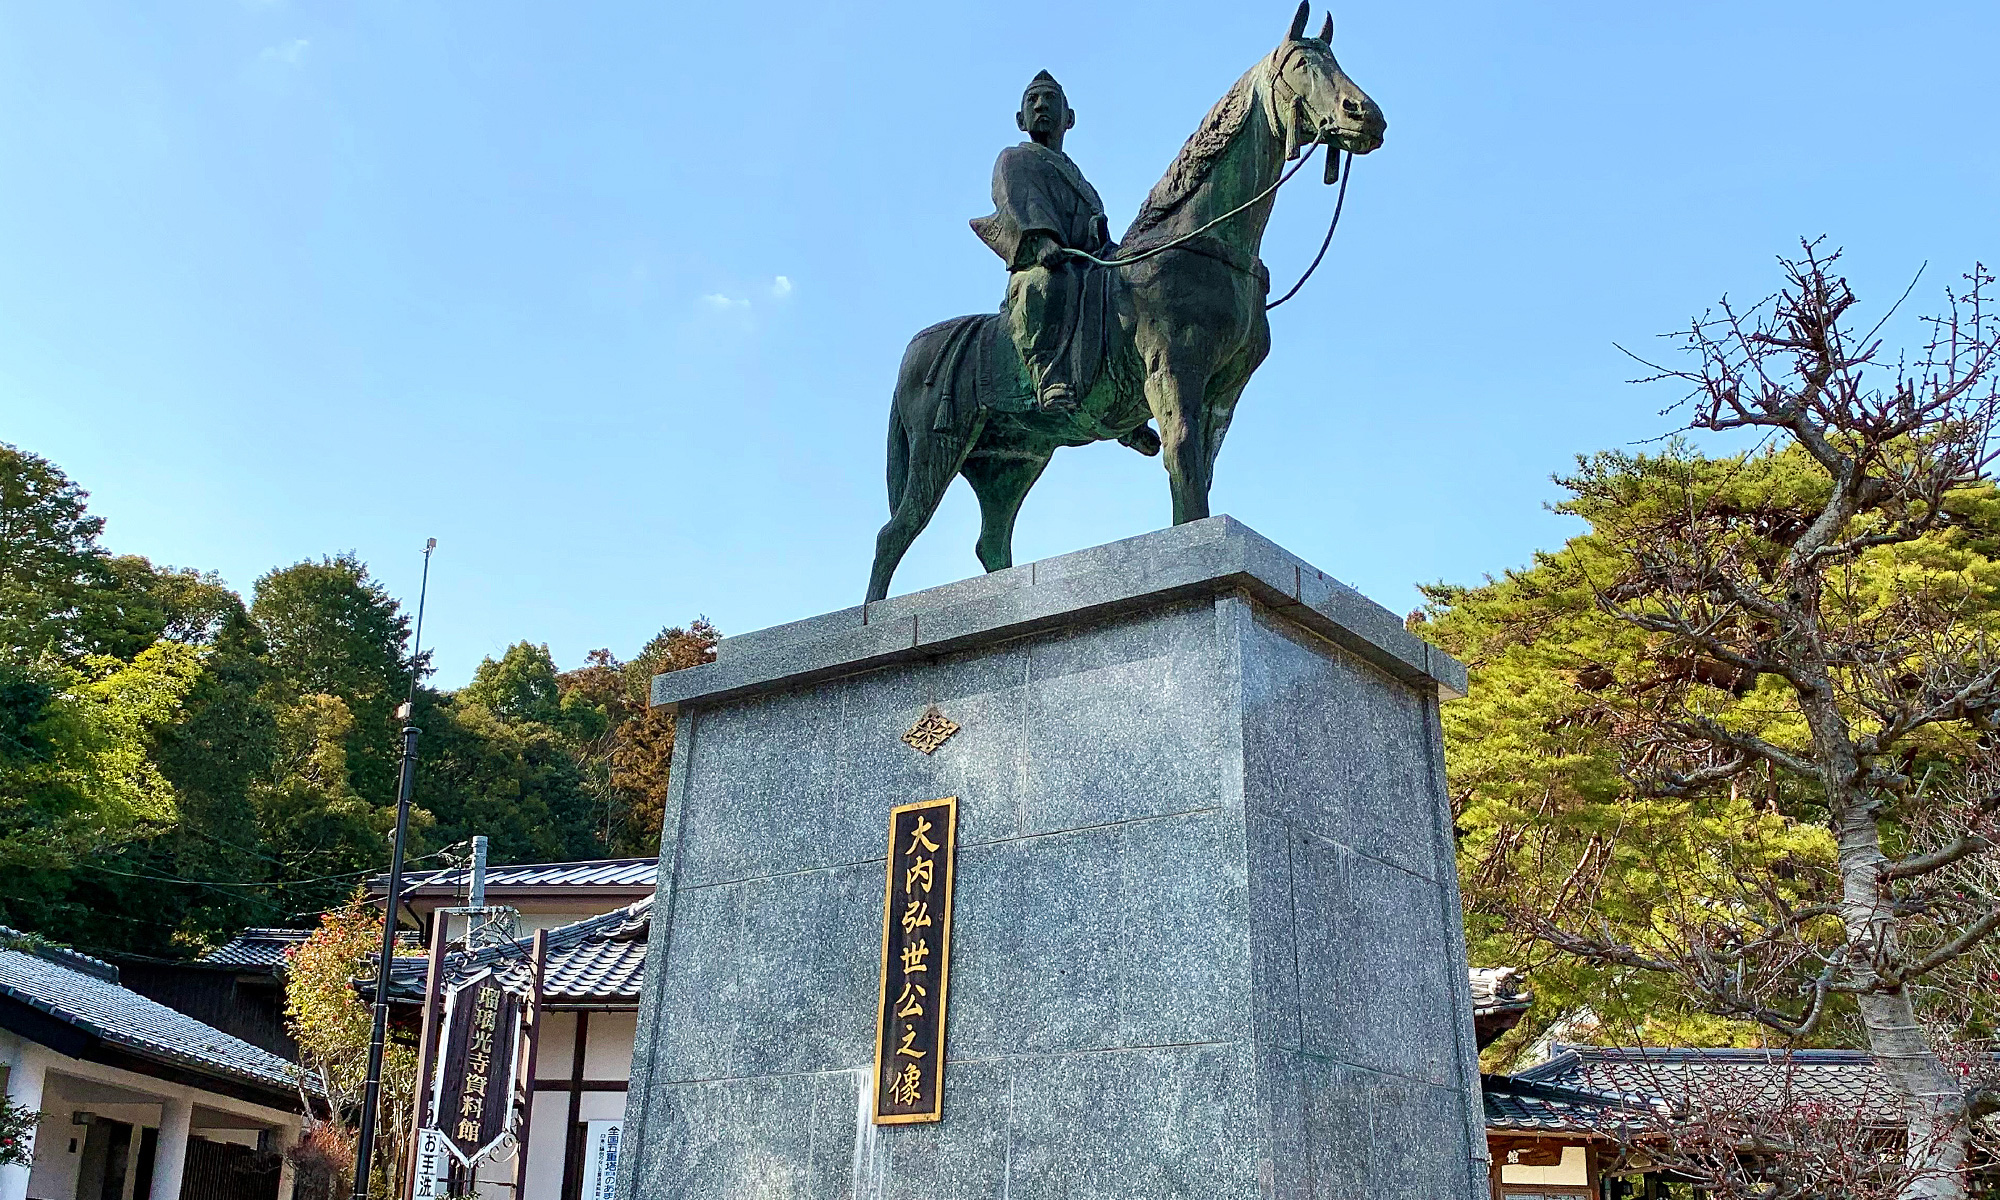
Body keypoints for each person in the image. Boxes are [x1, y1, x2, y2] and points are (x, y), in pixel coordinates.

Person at [970, 71, 1119, 412]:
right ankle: (1047, 376)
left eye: (1051, 99)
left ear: (1070, 118)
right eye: (1033, 100)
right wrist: (1041, 241)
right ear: (1020, 119)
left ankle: (1117, 391)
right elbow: (1018, 203)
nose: (1041, 106)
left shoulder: (1084, 185)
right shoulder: (1014, 159)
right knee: (1048, 283)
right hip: (1041, 263)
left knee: (1120, 298)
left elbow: (1094, 230)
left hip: (1084, 265)